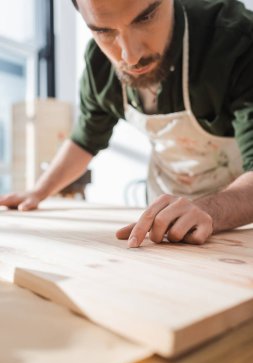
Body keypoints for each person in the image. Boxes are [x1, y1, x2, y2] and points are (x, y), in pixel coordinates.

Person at [1, 0, 253, 247]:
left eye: (145, 18)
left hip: (240, 223)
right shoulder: (99, 65)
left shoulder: (236, 39)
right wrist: (36, 192)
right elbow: (84, 140)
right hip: (162, 222)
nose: (130, 57)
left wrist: (208, 210)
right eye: (103, 31)